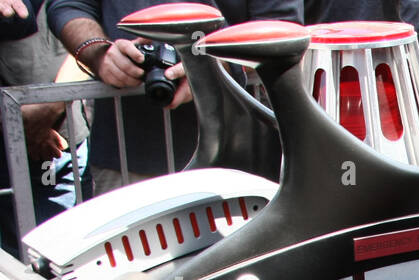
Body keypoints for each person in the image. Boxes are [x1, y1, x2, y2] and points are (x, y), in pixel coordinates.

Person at [47, 0, 301, 194]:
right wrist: (99, 53)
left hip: (238, 160)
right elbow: (68, 6)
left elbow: (282, 26)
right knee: (129, 263)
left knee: (238, 262)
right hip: (127, 158)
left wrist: (215, 65)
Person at [1, 0, 90, 254]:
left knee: (68, 252)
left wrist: (50, 108)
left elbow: (91, 41)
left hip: (62, 142)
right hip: (15, 146)